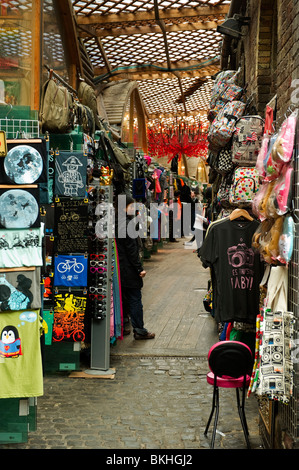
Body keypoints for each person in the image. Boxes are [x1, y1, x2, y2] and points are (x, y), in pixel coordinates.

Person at [116, 194, 155, 340]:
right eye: (131, 206)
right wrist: (139, 268)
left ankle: (120, 327)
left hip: (118, 267)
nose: (133, 208)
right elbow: (131, 250)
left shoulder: (115, 222)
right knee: (134, 298)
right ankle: (139, 329)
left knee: (122, 298)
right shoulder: (127, 224)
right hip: (128, 268)